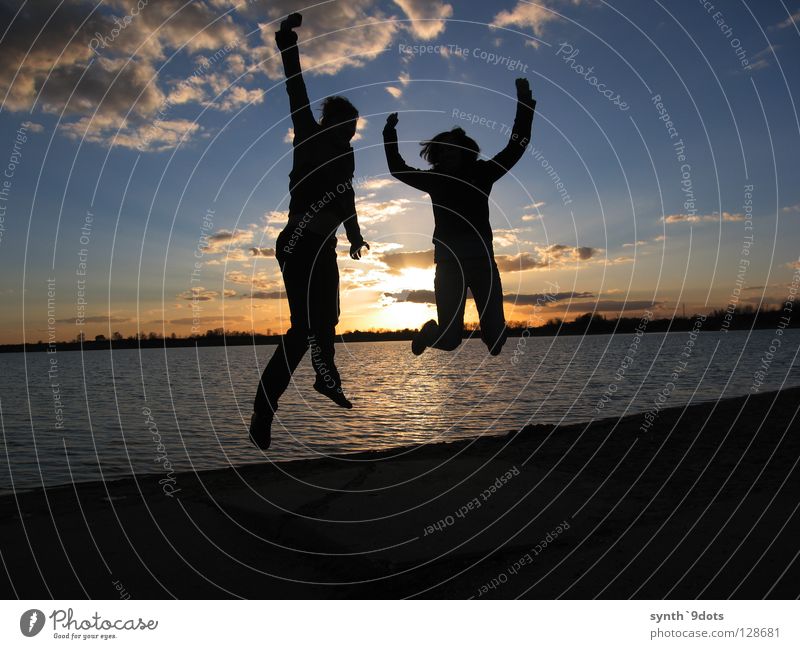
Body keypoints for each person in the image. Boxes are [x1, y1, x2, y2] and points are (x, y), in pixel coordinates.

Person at [250, 14, 369, 450]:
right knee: (304, 328)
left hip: (325, 246)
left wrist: (355, 235)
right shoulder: (309, 134)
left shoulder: (347, 157)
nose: (350, 137)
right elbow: (295, 87)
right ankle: (264, 407)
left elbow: (346, 197)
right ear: (330, 122)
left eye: (354, 132)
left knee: (327, 322)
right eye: (346, 128)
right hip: (299, 242)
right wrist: (287, 42)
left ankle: (325, 377)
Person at [382, 78, 536, 356]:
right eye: (443, 149)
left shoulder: (482, 173)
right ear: (437, 155)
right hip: (448, 263)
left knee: (496, 343)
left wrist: (525, 104)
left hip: (482, 262)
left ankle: (494, 333)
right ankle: (430, 330)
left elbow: (517, 147)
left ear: (465, 150)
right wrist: (388, 135)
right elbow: (398, 169)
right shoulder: (435, 180)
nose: (448, 152)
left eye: (454, 147)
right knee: (451, 340)